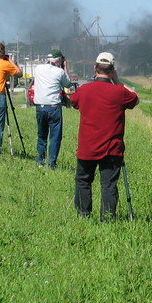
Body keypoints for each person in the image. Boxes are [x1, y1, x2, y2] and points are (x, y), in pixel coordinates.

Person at [70, 51, 139, 220]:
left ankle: (83, 214)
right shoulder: (119, 92)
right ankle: (107, 217)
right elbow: (135, 99)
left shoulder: (84, 90)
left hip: (87, 147)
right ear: (113, 70)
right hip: (111, 148)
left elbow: (73, 102)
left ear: (95, 68)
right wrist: (117, 81)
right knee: (108, 184)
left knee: (83, 180)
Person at [32, 51, 72, 169]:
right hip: (54, 107)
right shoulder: (59, 71)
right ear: (59, 60)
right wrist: (65, 68)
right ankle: (52, 163)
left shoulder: (38, 68)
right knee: (55, 136)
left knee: (42, 134)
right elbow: (68, 83)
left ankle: (40, 160)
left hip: (40, 106)